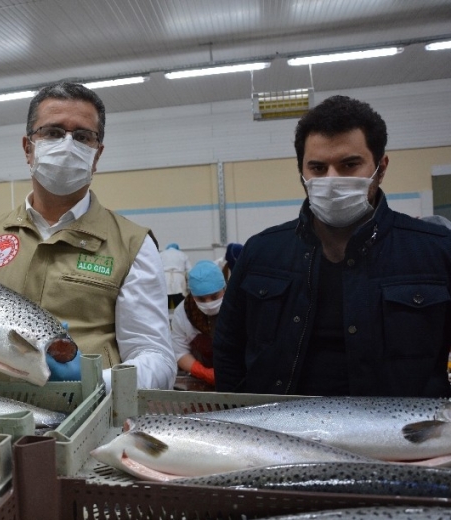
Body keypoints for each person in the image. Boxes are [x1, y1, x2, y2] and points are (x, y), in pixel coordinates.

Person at [0, 82, 176, 390]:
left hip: (84, 424)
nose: (68, 146)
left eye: (83, 137)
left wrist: (95, 381)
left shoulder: (131, 244)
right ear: (28, 148)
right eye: (53, 133)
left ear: (96, 156)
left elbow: (158, 359)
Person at [214, 95, 451, 397]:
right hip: (280, 436)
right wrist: (244, 422)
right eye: (318, 168)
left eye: (349, 164)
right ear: (302, 172)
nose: (332, 179)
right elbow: (228, 349)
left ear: (381, 167)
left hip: (402, 438)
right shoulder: (261, 254)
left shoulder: (436, 251)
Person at [171, 261, 225, 386]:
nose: (208, 303)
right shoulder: (183, 312)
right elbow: (179, 352)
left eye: (214, 296)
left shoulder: (237, 306)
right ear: (192, 294)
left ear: (224, 288)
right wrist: (204, 373)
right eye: (201, 299)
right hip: (200, 380)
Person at [159, 243, 191, 310]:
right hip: (179, 278)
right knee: (179, 303)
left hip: (165, 278)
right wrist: (189, 285)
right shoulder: (183, 255)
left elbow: (156, 268)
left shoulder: (161, 254)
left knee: (165, 304)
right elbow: (189, 270)